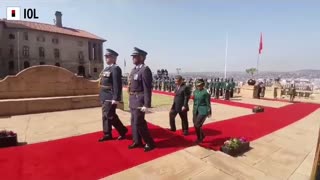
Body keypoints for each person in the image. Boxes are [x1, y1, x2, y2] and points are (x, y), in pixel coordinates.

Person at [128, 47, 155, 152]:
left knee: (140, 122)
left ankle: (150, 143)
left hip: (140, 99)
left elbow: (147, 88)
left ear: (142, 57)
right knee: (133, 121)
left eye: (135, 56)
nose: (133, 58)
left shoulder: (145, 70)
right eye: (133, 56)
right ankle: (137, 141)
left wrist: (146, 104)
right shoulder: (134, 70)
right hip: (133, 99)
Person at [98, 49, 128, 142]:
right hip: (104, 95)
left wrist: (116, 98)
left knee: (109, 115)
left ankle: (122, 130)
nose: (106, 58)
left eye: (108, 56)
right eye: (106, 56)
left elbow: (117, 84)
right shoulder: (106, 69)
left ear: (114, 58)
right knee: (105, 115)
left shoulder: (115, 68)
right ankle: (107, 133)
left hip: (110, 95)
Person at [193, 78, 212, 144]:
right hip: (196, 109)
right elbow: (194, 101)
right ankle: (202, 135)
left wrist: (209, 111)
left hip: (203, 110)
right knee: (195, 124)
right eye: (197, 85)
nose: (198, 86)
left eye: (200, 85)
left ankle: (199, 138)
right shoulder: (195, 91)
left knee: (197, 125)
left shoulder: (206, 92)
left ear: (203, 84)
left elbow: (208, 102)